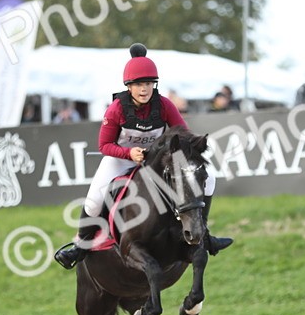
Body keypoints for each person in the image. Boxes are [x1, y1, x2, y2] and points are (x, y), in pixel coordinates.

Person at [53, 43, 234, 270]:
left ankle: (204, 234)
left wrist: (194, 145)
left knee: (209, 179)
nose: (144, 89)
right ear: (129, 86)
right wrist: (129, 152)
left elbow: (182, 133)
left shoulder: (165, 105)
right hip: (120, 158)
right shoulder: (116, 109)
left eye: (148, 84)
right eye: (138, 84)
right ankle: (80, 247)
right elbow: (104, 145)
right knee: (93, 201)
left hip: (154, 162)